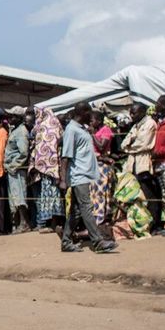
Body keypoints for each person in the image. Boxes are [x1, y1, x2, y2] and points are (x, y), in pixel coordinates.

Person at [59, 102, 116, 253]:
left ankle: (66, 241)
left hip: (85, 175)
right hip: (79, 176)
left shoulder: (81, 129)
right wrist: (63, 180)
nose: (91, 116)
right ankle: (98, 242)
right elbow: (65, 156)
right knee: (86, 208)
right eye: (89, 113)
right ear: (83, 112)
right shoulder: (71, 130)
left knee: (76, 211)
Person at [121, 100, 159, 228]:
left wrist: (130, 146)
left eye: (134, 112)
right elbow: (124, 144)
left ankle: (154, 223)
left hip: (144, 162)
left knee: (149, 194)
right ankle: (143, 223)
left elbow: (143, 143)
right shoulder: (135, 126)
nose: (132, 115)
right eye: (131, 113)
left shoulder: (149, 123)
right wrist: (130, 145)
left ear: (143, 112)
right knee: (139, 195)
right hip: (133, 164)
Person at [30, 106, 63, 231]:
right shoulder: (56, 124)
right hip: (56, 166)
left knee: (50, 195)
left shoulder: (42, 127)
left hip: (46, 168)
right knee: (54, 194)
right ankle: (54, 223)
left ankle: (52, 224)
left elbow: (40, 146)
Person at [4, 106, 30, 233]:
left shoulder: (21, 132)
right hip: (12, 169)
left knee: (20, 196)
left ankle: (24, 223)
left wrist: (13, 166)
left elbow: (24, 152)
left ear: (19, 118)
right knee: (15, 196)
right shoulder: (15, 130)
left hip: (17, 169)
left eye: (12, 116)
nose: (9, 118)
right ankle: (20, 223)